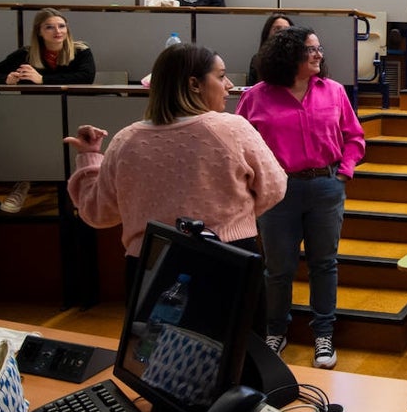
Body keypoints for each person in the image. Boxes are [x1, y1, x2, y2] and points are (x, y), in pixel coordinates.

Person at [65, 42, 286, 294]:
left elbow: (98, 214)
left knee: (151, 335)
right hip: (230, 257)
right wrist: (231, 219)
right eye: (221, 76)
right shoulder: (233, 129)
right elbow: (275, 188)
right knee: (237, 334)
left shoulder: (126, 140)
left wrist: (90, 157)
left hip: (150, 264)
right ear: (194, 84)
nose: (228, 86)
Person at [236, 26, 366, 368]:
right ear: (289, 55)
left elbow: (354, 136)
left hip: (326, 187)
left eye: (319, 48)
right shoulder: (256, 97)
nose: (319, 54)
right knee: (278, 269)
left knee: (324, 264)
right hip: (277, 193)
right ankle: (276, 330)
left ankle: (324, 333)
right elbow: (238, 147)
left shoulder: (334, 91)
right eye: (311, 49)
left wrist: (344, 171)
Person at [0, 7, 96, 213]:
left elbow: (86, 78)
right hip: (35, 115)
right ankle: (24, 182)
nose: (57, 31)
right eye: (50, 27)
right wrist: (6, 80)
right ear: (39, 32)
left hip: (71, 113)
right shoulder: (25, 54)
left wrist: (43, 80)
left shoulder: (81, 51)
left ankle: (82, 195)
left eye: (61, 26)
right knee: (28, 135)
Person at [247, 13, 294, 85]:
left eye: (287, 29)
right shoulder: (257, 59)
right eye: (277, 29)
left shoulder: (299, 59)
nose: (282, 33)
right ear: (267, 33)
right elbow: (251, 88)